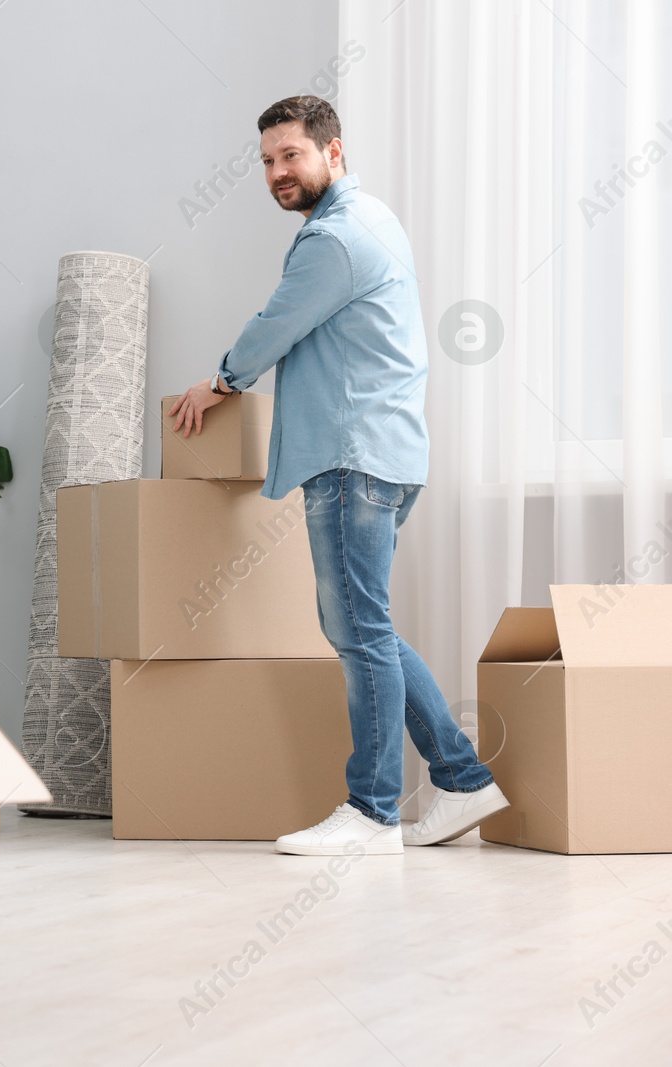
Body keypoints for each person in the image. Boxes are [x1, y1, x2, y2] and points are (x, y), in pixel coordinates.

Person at [166, 96, 508, 858]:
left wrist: (218, 382)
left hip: (354, 455)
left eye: (291, 155)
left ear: (333, 152)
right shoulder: (373, 219)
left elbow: (275, 325)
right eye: (266, 161)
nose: (277, 172)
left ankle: (373, 811)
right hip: (382, 451)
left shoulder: (336, 240)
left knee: (358, 629)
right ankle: (460, 779)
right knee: (365, 625)